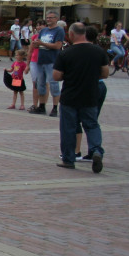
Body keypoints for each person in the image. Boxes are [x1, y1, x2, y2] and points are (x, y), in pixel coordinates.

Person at [54, 22, 109, 172]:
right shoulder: (98, 51)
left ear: (71, 35)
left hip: (70, 96)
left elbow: (57, 75)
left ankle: (68, 159)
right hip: (90, 94)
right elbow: (105, 73)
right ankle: (96, 150)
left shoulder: (66, 52)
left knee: (69, 128)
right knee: (92, 125)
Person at [29, 11, 65, 116]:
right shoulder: (43, 30)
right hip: (41, 60)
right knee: (40, 84)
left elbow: (58, 46)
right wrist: (36, 44)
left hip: (52, 61)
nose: (48, 19)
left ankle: (55, 108)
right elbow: (38, 43)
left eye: (51, 18)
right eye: (47, 17)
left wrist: (42, 43)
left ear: (56, 19)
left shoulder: (59, 30)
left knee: (53, 84)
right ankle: (42, 106)